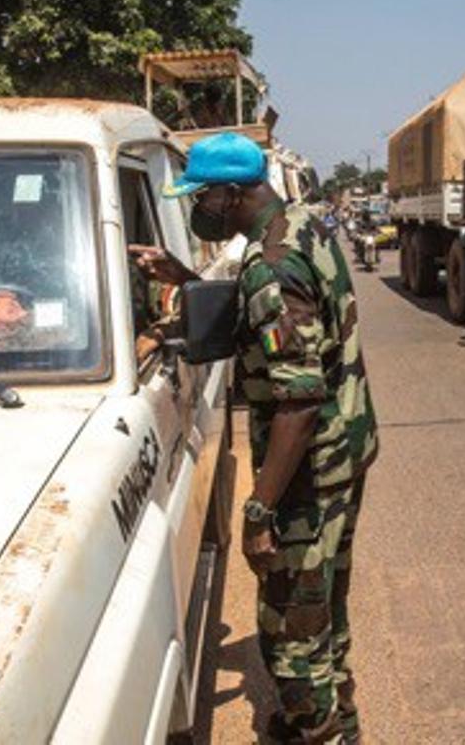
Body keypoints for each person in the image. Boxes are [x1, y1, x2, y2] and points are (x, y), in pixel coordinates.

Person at [132, 132, 378, 744]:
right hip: (344, 449)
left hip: (308, 466)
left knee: (288, 619)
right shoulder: (300, 227)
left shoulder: (271, 264)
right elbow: (261, 325)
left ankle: (315, 730)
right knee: (323, 597)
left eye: (200, 197)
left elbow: (298, 398)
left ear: (231, 193)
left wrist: (259, 507)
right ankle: (336, 712)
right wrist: (186, 278)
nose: (197, 209)